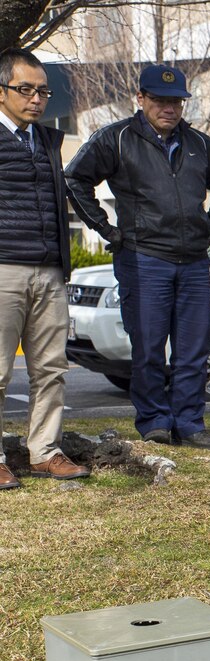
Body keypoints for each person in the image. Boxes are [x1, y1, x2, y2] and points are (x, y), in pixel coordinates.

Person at [66, 64, 210, 450]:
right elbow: (74, 178)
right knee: (148, 349)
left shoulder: (200, 144)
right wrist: (108, 231)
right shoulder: (117, 139)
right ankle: (155, 422)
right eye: (159, 100)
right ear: (140, 99)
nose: (168, 108)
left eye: (176, 101)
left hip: (193, 261)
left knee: (194, 350)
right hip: (144, 259)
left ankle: (191, 424)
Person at [0, 49, 90, 488]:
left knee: (51, 368)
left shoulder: (49, 141)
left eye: (43, 91)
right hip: (3, 271)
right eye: (25, 90)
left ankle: (45, 452)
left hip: (50, 270)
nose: (36, 99)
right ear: (1, 93)